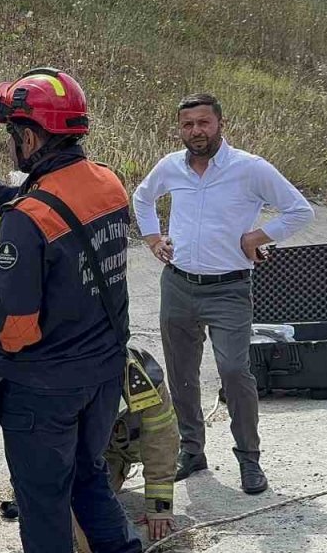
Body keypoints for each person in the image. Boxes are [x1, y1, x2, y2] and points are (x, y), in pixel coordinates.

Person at [0, 67, 142, 553]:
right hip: (102, 374)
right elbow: (62, 213)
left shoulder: (25, 220)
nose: (12, 147)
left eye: (14, 137)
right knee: (89, 477)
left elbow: (14, 332)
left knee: (43, 504)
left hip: (44, 391)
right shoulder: (110, 185)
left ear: (32, 137)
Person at [132, 93, 313, 495]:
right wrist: (151, 239)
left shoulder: (250, 169)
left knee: (234, 370)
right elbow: (142, 197)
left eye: (203, 122)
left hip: (229, 287)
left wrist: (257, 236)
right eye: (187, 124)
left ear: (220, 124)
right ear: (180, 129)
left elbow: (300, 210)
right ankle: (192, 451)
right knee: (181, 374)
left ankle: (249, 458)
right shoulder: (171, 166)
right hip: (178, 284)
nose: (196, 131)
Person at [0, 347, 180, 543]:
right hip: (93, 450)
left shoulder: (139, 378)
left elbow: (162, 441)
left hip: (121, 443)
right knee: (71, 515)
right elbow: (45, 444)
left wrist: (159, 507)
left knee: (93, 514)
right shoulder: (56, 378)